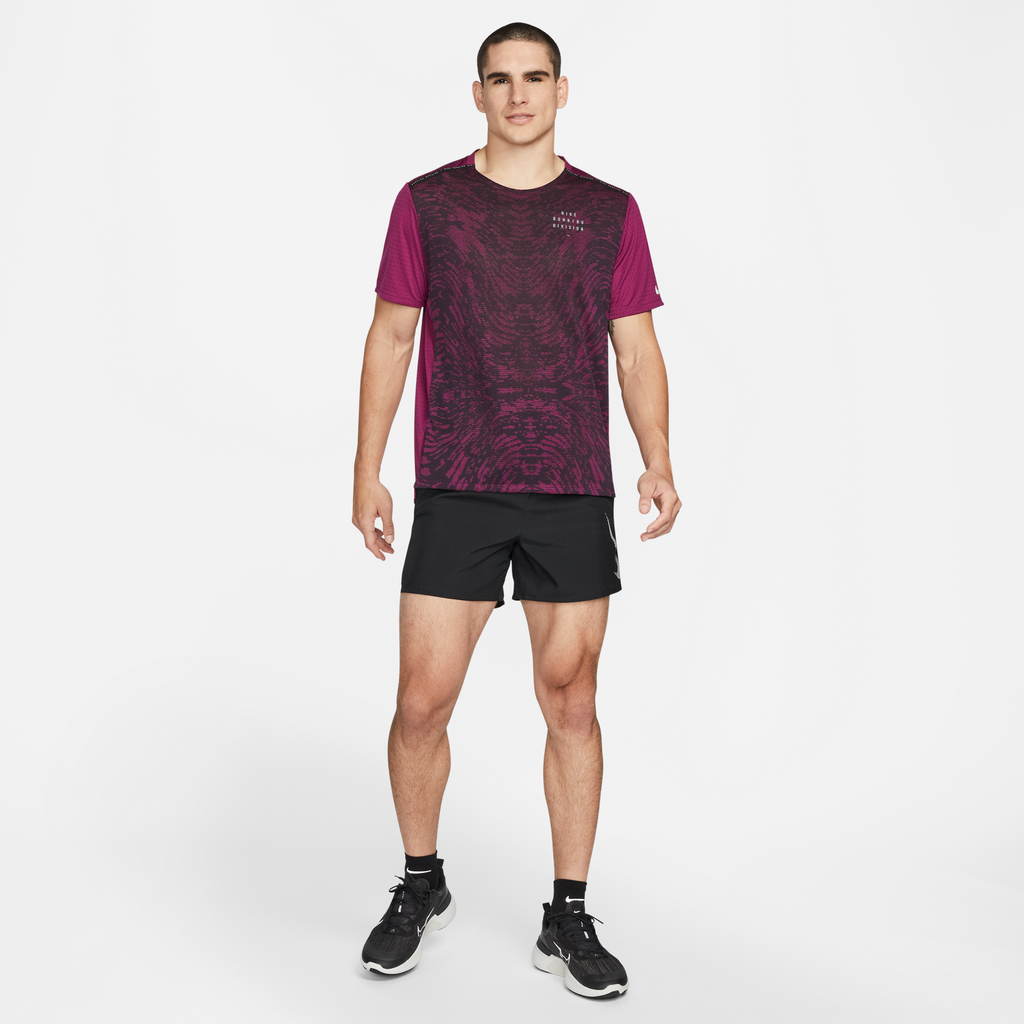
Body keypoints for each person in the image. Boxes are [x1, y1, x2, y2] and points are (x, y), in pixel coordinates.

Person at [352, 22, 678, 999]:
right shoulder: (429, 203)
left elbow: (636, 348)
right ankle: (421, 883)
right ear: (478, 94)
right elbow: (391, 336)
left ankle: (566, 914)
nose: (519, 95)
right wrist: (366, 469)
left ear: (562, 90)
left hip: (570, 485)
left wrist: (658, 457)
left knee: (571, 701)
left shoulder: (608, 212)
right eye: (501, 80)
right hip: (459, 478)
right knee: (421, 703)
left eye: (536, 78)